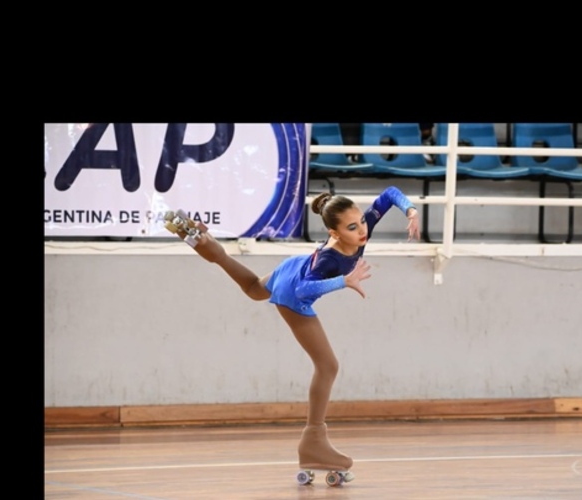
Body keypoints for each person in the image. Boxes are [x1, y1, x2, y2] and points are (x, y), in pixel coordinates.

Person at [168, 186, 420, 475]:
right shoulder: (330, 259)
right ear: (335, 233)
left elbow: (389, 194)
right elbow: (303, 290)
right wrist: (343, 281)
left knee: (253, 288)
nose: (362, 230)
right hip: (294, 289)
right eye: (352, 227)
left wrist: (410, 210)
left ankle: (200, 240)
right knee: (327, 366)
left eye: (362, 221)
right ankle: (314, 440)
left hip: (293, 266)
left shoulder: (361, 227)